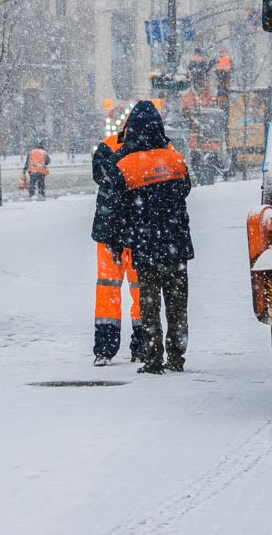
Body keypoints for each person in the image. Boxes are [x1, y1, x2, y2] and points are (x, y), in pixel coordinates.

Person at [109, 100, 193, 374]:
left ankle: (153, 358)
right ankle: (177, 357)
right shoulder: (176, 160)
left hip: (145, 248)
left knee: (149, 306)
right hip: (176, 246)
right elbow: (185, 191)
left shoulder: (125, 165)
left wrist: (117, 243)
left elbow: (118, 211)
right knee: (177, 306)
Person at [90, 121, 144, 366]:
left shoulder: (108, 146)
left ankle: (111, 347)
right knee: (136, 291)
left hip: (117, 229)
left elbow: (103, 176)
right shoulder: (112, 146)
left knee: (111, 290)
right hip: (134, 232)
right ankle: (137, 346)